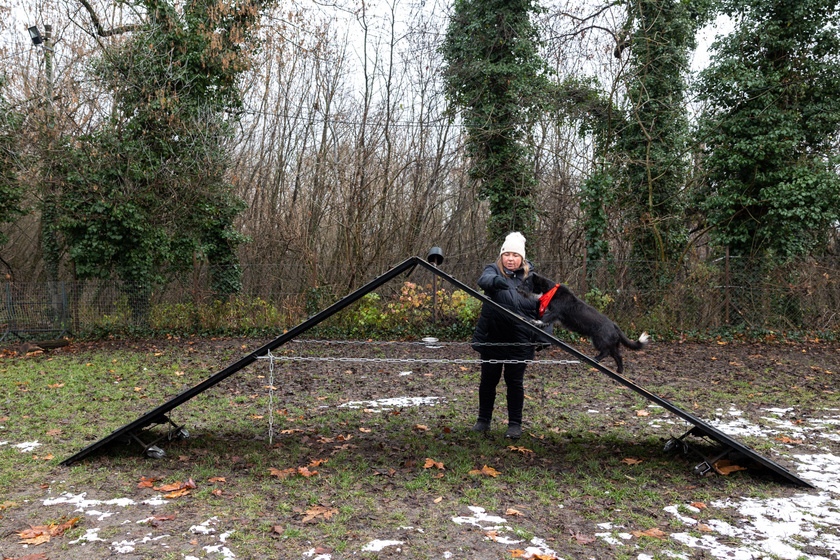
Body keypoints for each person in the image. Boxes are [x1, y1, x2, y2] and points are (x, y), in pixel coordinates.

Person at [470, 231, 544, 440]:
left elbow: (544, 307)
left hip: (521, 339)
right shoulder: (493, 270)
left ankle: (514, 424)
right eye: (507, 254)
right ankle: (483, 421)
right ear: (502, 256)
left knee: (515, 382)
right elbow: (483, 280)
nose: (510, 259)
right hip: (493, 336)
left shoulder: (533, 279)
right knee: (488, 380)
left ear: (522, 258)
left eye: (515, 255)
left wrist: (544, 334)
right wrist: (496, 282)